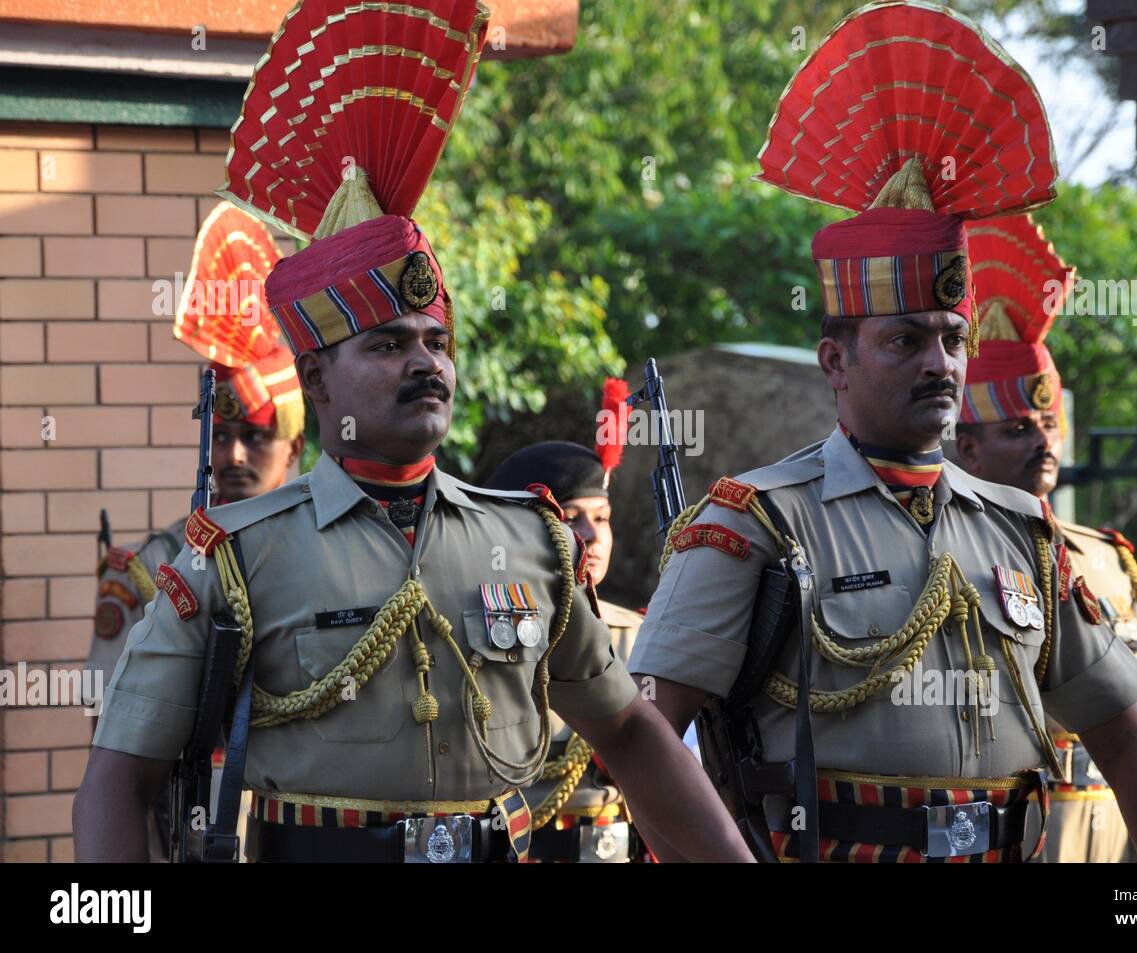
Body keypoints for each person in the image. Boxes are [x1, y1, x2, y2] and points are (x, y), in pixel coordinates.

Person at [73, 0, 749, 864]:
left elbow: (634, 734)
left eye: (436, 341)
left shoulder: (531, 541)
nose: (425, 363)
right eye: (388, 344)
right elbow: (116, 782)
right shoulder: (226, 559)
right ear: (316, 378)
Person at [627, 1, 1137, 863]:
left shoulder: (1024, 534)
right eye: (904, 340)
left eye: (951, 337)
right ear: (836, 359)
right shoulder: (755, 523)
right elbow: (642, 742)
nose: (939, 362)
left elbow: (1129, 740)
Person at [951, 214, 1137, 862]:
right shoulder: (944, 549)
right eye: (1017, 428)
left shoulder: (1108, 561)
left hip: (1107, 834)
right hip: (1004, 833)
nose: (1042, 442)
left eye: (1048, 423)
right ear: (967, 448)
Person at [87, 203, 304, 690]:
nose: (233, 457)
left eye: (254, 437)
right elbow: (108, 715)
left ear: (293, 448)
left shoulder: (326, 551)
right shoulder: (152, 569)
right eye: (220, 437)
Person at [484, 379, 649, 861]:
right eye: (573, 516)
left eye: (603, 517)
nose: (593, 536)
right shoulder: (488, 628)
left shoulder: (639, 632)